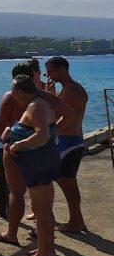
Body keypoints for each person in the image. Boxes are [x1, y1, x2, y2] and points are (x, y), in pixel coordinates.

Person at [0, 63, 73, 246]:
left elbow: (1, 123)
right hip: (43, 151)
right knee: (43, 195)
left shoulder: (11, 97)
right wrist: (53, 130)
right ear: (33, 77)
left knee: (17, 193)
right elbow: (70, 114)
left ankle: (12, 233)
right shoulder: (45, 96)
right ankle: (43, 234)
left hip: (17, 149)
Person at [4, 74, 60, 256]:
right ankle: (47, 248)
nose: (13, 97)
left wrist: (19, 143)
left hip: (38, 164)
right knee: (44, 209)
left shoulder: (36, 106)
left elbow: (42, 133)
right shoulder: (41, 103)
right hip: (43, 161)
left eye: (14, 94)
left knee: (41, 210)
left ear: (20, 91)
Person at [45, 56, 88, 233]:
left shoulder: (70, 91)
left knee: (68, 184)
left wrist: (49, 133)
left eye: (51, 72)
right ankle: (78, 220)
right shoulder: (72, 89)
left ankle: (75, 222)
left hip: (68, 142)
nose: (50, 76)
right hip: (73, 140)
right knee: (67, 182)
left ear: (62, 69)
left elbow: (63, 117)